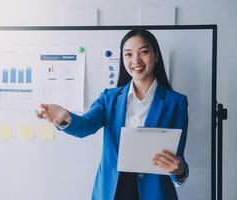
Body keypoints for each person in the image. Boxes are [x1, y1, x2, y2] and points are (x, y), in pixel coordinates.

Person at [37, 28, 189, 200]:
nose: (136, 60)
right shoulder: (109, 98)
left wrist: (180, 171)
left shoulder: (176, 102)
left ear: (156, 55)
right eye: (128, 54)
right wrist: (65, 117)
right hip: (112, 191)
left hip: (155, 193)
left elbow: (178, 159)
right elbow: (86, 125)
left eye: (144, 52)